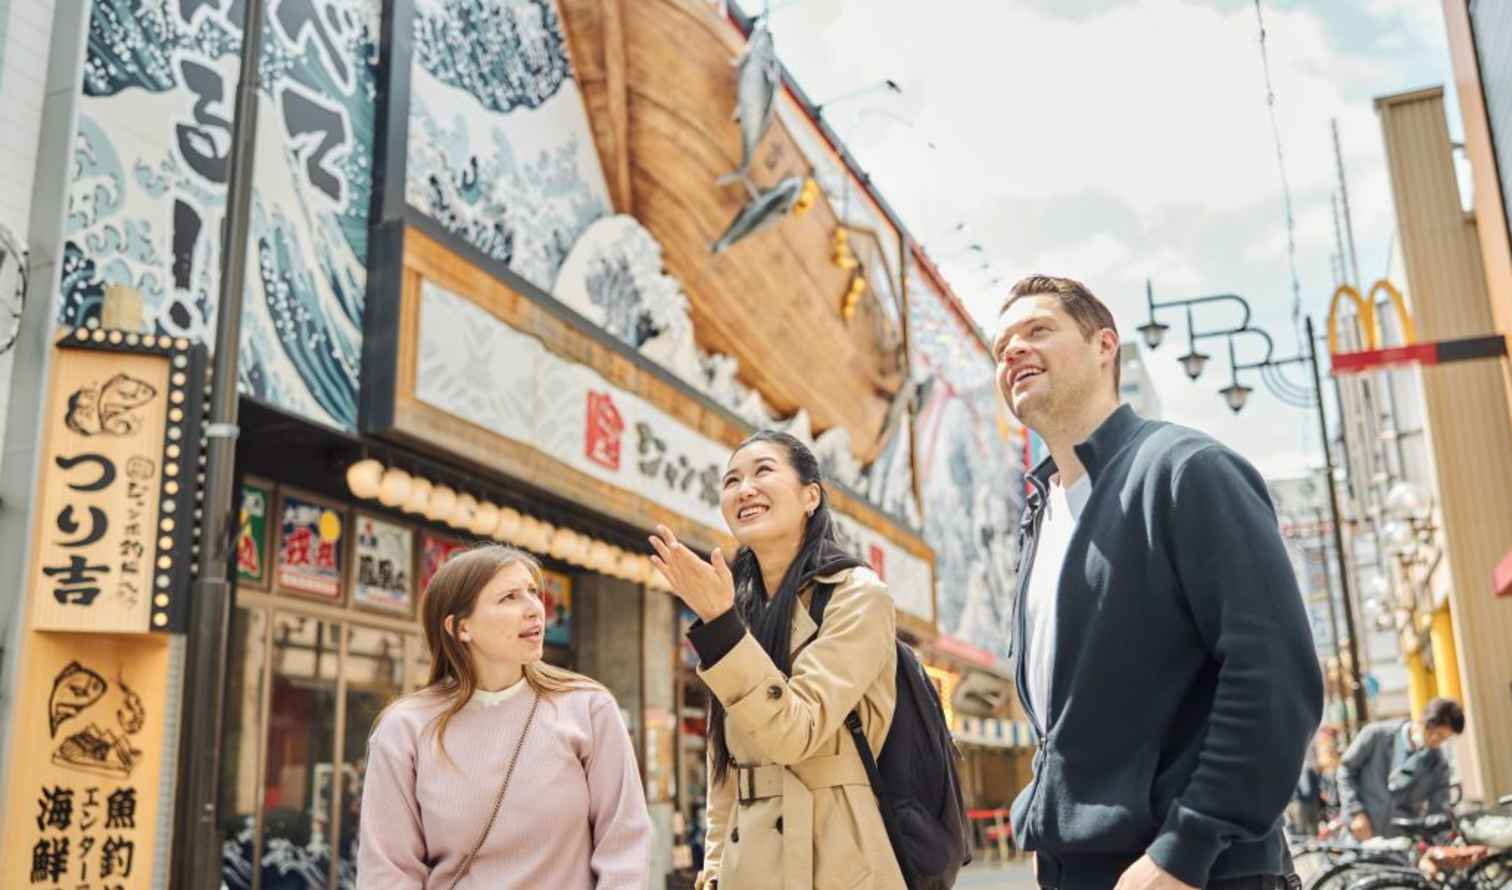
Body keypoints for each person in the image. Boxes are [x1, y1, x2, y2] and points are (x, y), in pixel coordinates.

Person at [992, 275, 1324, 890]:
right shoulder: (1041, 515)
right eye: (1001, 345)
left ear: (1104, 346)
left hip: (1195, 873)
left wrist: (1185, 848)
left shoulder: (1186, 471)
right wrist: (1049, 825)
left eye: (1038, 330)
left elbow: (1274, 674)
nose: (1012, 350)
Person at [649, 430, 905, 890]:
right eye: (731, 480)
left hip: (835, 858)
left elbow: (796, 733)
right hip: (746, 865)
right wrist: (712, 869)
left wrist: (721, 625)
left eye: (763, 471)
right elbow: (724, 767)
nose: (744, 488)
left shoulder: (857, 595)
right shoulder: (740, 609)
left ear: (811, 495)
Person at [358, 545, 651, 889]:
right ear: (460, 627)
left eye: (532, 592)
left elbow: (625, 847)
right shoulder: (405, 728)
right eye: (510, 597)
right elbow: (387, 872)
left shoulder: (588, 709)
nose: (535, 609)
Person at [1337, 697, 1465, 841]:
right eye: (1435, 733)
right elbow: (1345, 770)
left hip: (1400, 843)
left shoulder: (1438, 764)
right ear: (1421, 720)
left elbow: (1438, 811)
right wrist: (1355, 812)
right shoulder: (1376, 735)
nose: (1436, 741)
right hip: (1358, 834)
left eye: (1443, 739)